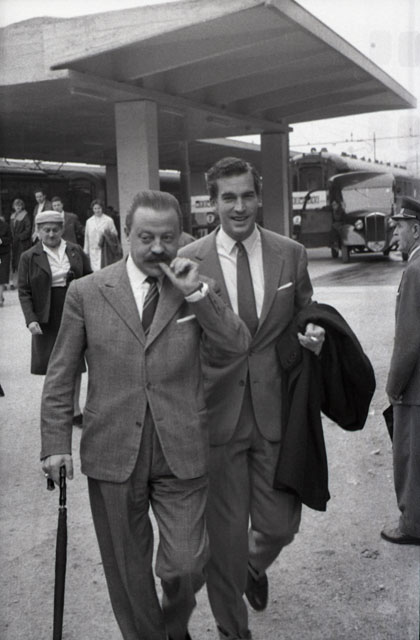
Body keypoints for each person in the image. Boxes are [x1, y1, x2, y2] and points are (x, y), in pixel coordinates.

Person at [40, 190, 250, 640]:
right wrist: (56, 444)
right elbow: (61, 373)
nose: (158, 248)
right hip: (113, 449)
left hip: (181, 448)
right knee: (128, 570)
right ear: (126, 235)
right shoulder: (87, 292)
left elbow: (236, 345)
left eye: (167, 238)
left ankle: (172, 621)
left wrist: (197, 293)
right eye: (146, 237)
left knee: (186, 564)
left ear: (181, 237)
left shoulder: (197, 286)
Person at [180, 157, 325, 640]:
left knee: (281, 525)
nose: (239, 207)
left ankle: (251, 566)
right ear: (212, 203)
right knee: (224, 539)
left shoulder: (290, 253)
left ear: (259, 196)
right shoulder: (189, 259)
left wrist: (314, 333)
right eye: (228, 197)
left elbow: (306, 310)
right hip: (216, 417)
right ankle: (231, 629)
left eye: (246, 195)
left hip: (274, 412)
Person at [18, 210, 91, 424]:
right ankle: (55, 410)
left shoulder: (75, 250)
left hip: (73, 310)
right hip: (46, 314)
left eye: (55, 229)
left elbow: (90, 279)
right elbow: (24, 291)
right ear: (38, 231)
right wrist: (31, 319)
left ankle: (75, 410)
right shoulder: (29, 257)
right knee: (52, 364)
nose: (51, 234)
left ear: (62, 229)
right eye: (46, 230)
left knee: (75, 361)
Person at [381, 196, 420, 546]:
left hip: (416, 389)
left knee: (411, 459)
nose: (395, 233)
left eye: (400, 226)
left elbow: (408, 339)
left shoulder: (414, 271)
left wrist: (394, 387)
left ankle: (412, 525)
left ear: (416, 229)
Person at [84, 199, 118, 271]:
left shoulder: (108, 220)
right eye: (95, 208)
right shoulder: (89, 221)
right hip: (93, 250)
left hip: (104, 250)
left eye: (99, 208)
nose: (97, 210)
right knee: (94, 270)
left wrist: (106, 235)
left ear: (102, 208)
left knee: (104, 269)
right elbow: (86, 237)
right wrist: (86, 251)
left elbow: (115, 234)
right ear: (92, 209)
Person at [10, 198, 32, 287]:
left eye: (20, 205)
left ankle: (23, 282)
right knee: (15, 262)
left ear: (22, 206)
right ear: (14, 207)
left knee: (21, 261)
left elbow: (28, 229)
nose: (18, 207)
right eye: (16, 205)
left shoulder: (25, 216)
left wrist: (20, 237)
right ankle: (15, 282)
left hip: (22, 243)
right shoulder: (13, 216)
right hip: (14, 243)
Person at [0, 215, 12, 306]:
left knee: (2, 276)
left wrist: (1, 240)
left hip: (3, 254)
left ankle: (0, 297)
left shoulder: (5, 226)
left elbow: (10, 239)